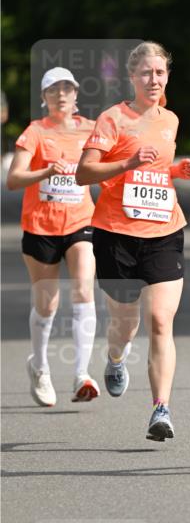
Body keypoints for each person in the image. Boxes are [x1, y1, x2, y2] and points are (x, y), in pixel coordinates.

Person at [76, 42, 190, 441]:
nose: (154, 80)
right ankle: (115, 358)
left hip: (164, 230)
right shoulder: (113, 119)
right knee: (125, 326)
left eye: (160, 73)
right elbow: (84, 173)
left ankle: (160, 409)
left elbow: (157, 172)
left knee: (161, 320)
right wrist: (127, 162)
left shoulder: (171, 120)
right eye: (146, 73)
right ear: (132, 77)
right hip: (115, 235)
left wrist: (176, 170)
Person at [7, 67, 99, 406]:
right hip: (41, 226)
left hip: (80, 221)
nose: (61, 94)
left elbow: (118, 165)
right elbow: (14, 179)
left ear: (76, 94)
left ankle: (81, 374)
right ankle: (40, 366)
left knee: (84, 288)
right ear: (44, 98)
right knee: (47, 305)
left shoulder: (92, 130)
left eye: (67, 88)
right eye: (53, 90)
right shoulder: (34, 133)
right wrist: (47, 170)